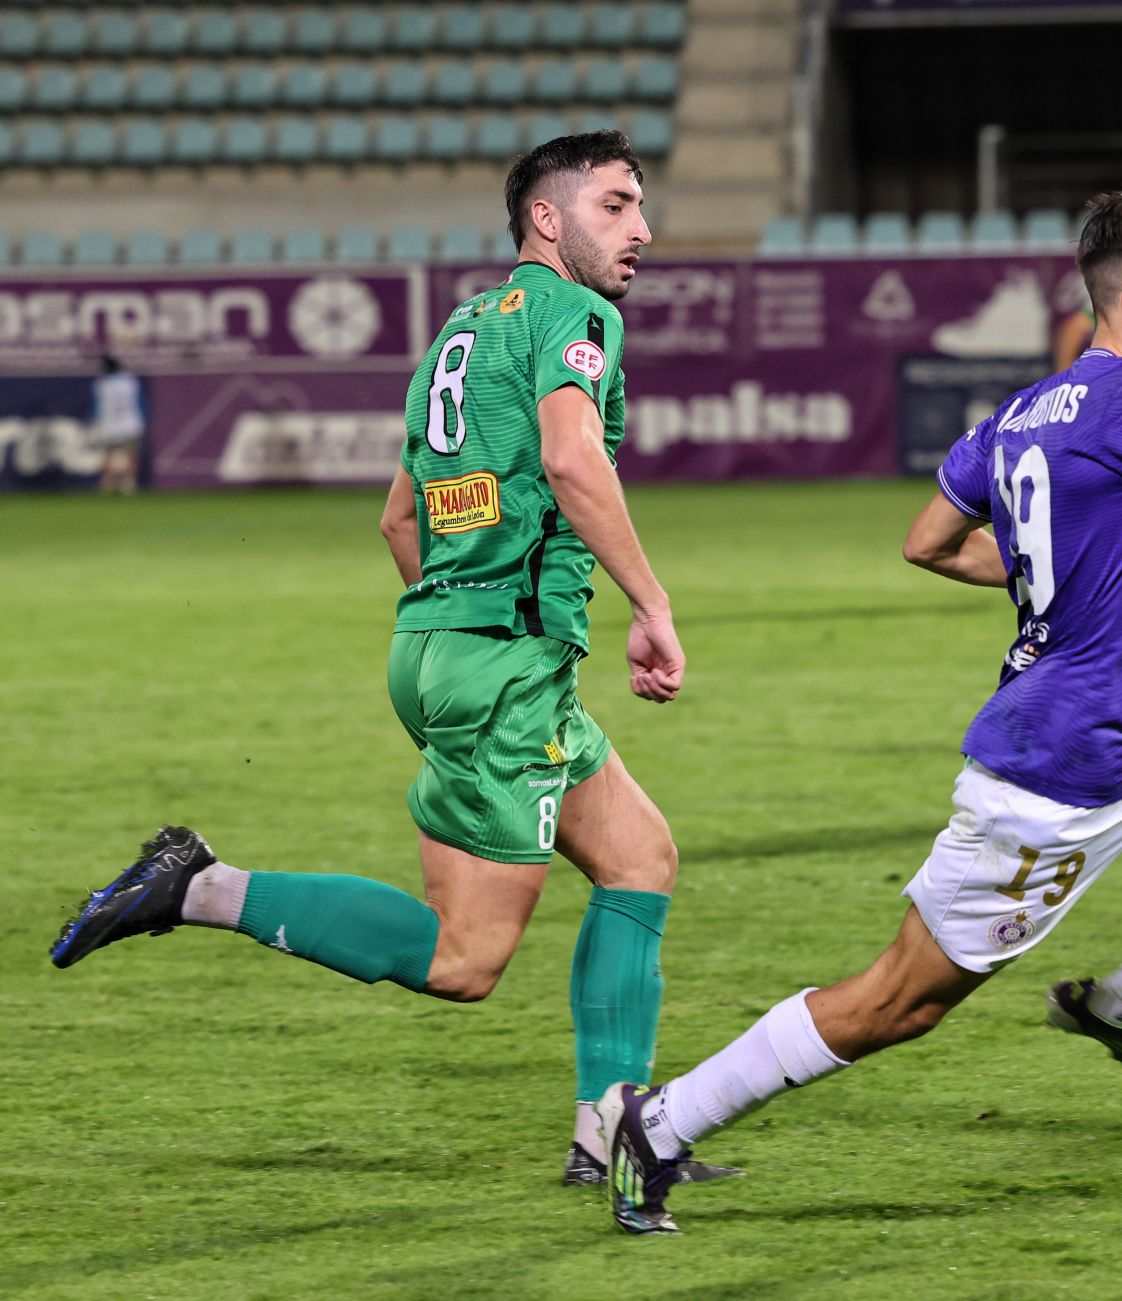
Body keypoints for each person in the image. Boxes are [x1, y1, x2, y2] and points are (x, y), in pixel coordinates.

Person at [593, 185, 1122, 1235]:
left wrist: (1052, 589)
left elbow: (926, 537)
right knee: (895, 1003)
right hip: (1052, 777)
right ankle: (658, 1124)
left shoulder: (1026, 409)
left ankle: (1120, 1000)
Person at [51, 131, 714, 1190]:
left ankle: (612, 1128)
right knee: (465, 960)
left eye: (641, 206)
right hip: (501, 668)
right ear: (548, 219)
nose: (642, 228)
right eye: (617, 204)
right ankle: (202, 886)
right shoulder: (571, 314)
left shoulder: (458, 332)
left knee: (639, 856)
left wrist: (456, 623)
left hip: (446, 644)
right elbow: (569, 456)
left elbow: (399, 515)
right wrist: (653, 604)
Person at [91, 354, 147, 494]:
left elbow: (96, 407)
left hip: (108, 425)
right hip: (129, 423)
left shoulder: (101, 384)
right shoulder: (130, 381)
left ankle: (108, 482)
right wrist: (145, 419)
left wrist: (93, 421)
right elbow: (140, 403)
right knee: (131, 454)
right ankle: (128, 483)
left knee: (107, 455)